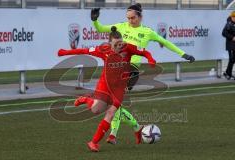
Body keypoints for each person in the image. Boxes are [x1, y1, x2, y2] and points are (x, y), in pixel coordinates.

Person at [91, 3, 195, 145]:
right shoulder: (121, 26)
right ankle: (133, 129)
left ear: (140, 16)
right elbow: (101, 29)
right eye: (128, 18)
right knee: (114, 105)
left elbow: (165, 42)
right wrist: (95, 20)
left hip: (130, 71)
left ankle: (117, 133)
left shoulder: (147, 32)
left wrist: (183, 54)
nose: (130, 20)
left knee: (113, 104)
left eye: (133, 18)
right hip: (115, 70)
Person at [58, 26, 156, 152]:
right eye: (116, 44)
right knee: (96, 110)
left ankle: (93, 142)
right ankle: (86, 99)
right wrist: (64, 52)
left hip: (119, 88)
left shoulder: (129, 47)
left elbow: (144, 52)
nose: (119, 46)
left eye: (121, 42)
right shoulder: (103, 49)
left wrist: (151, 59)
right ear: (110, 43)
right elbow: (84, 50)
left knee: (110, 113)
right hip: (105, 84)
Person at [222, 11, 235, 80]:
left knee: (232, 60)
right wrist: (232, 37)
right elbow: (223, 33)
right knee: (232, 59)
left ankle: (228, 73)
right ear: (232, 17)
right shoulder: (229, 24)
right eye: (234, 17)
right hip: (230, 45)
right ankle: (228, 73)